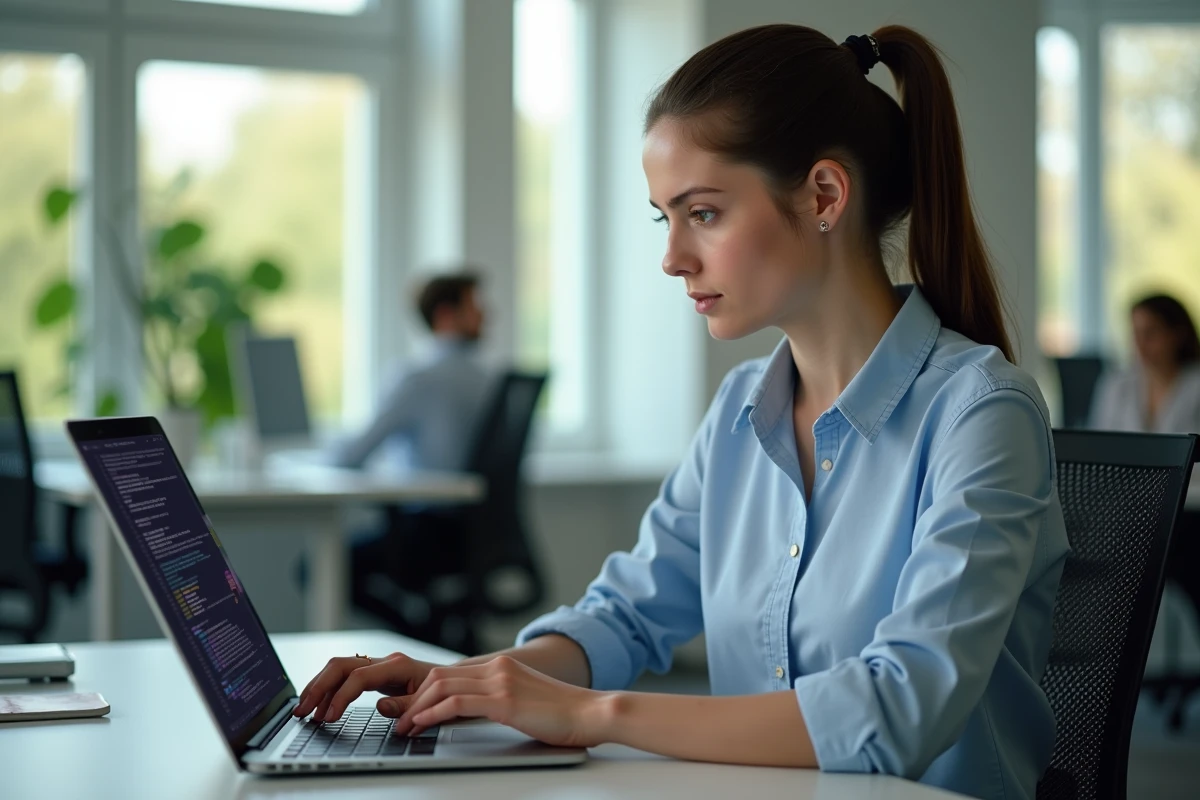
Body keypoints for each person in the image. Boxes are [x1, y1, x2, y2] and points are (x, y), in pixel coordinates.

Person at [297, 24, 1069, 800]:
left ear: (825, 196)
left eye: (702, 213)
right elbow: (626, 618)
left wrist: (591, 713)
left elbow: (896, 710)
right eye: (663, 217)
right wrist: (466, 682)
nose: (672, 257)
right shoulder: (741, 410)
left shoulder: (981, 415)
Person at [330, 271, 495, 473]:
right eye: (475, 306)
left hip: (426, 500)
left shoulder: (417, 379)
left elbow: (355, 454)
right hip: (471, 500)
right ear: (445, 314)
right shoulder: (489, 379)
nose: (484, 314)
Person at [1090, 293, 1200, 434]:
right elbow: (1097, 444)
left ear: (1177, 334)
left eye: (1151, 333)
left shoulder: (1195, 386)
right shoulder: (1116, 385)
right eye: (1136, 334)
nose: (1140, 344)